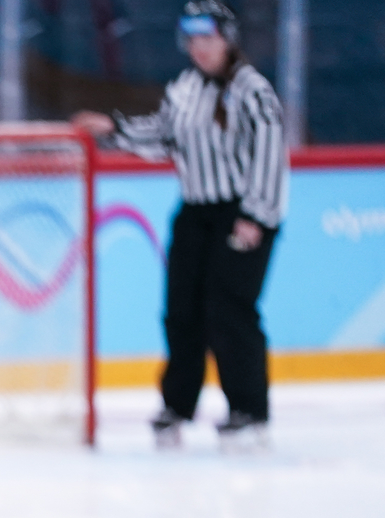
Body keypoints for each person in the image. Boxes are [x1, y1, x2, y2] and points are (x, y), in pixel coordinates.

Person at [73, 0, 288, 450]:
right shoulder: (184, 88)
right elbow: (163, 134)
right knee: (181, 311)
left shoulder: (253, 91)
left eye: (208, 38)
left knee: (229, 312)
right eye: (192, 40)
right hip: (194, 213)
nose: (199, 48)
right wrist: (113, 128)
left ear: (227, 40)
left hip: (241, 212)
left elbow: (271, 155)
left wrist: (255, 216)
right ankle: (178, 405)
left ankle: (249, 410)